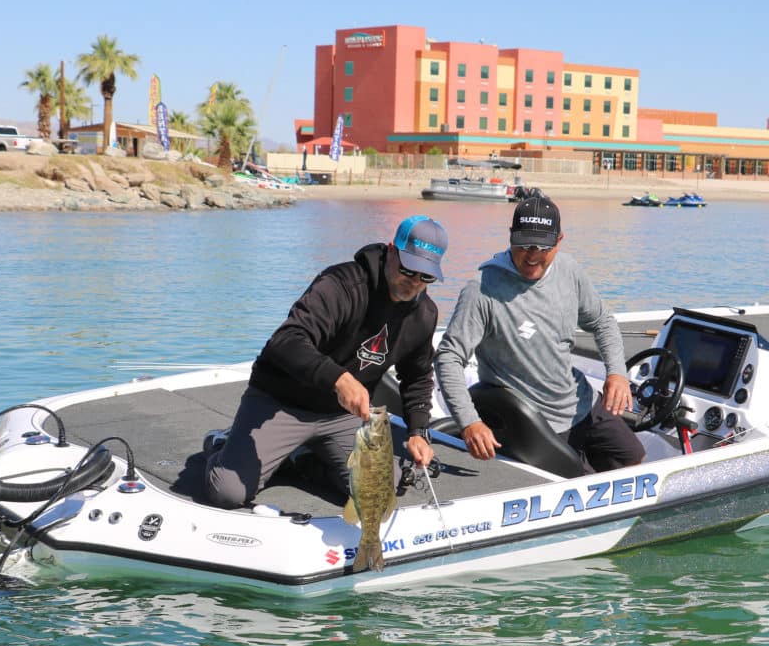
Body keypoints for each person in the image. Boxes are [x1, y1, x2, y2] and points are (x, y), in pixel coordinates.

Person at [204, 215, 446, 509]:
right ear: (391, 250)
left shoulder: (425, 315)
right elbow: (286, 340)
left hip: (340, 417)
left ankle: (304, 458)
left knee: (383, 493)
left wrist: (418, 433)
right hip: (281, 403)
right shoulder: (342, 285)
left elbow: (417, 378)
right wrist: (339, 378)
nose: (415, 283)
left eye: (426, 276)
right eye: (409, 270)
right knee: (227, 492)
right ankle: (224, 443)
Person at [434, 194, 644, 473]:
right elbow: (448, 357)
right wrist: (469, 422)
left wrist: (616, 373)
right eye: (523, 245)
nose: (532, 254)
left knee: (633, 457)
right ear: (510, 237)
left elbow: (603, 321)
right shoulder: (482, 289)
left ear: (559, 241)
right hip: (533, 422)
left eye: (542, 246)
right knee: (578, 481)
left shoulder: (569, 270)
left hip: (580, 401)